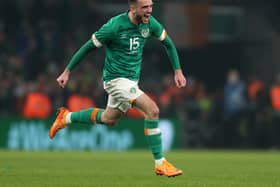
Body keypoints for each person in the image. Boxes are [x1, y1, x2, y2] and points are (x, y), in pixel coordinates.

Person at [49, 0, 186, 177]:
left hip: (131, 82)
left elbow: (168, 43)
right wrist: (67, 71)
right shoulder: (114, 26)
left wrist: (178, 71)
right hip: (115, 80)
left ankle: (66, 117)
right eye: (145, 7)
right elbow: (88, 47)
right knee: (152, 110)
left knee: (108, 118)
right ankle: (160, 163)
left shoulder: (149, 23)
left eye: (151, 6)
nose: (149, 11)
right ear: (132, 8)